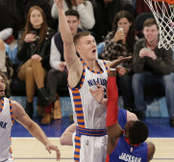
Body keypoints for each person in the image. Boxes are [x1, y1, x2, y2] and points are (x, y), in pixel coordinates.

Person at [55, 0, 131, 161]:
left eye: (93, 41)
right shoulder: (77, 69)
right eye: (88, 42)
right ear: (79, 49)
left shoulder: (106, 66)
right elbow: (67, 41)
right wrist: (61, 9)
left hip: (107, 136)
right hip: (86, 139)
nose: (92, 44)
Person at [132, 18, 174, 127]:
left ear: (158, 31)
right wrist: (140, 57)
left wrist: (154, 58)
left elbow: (167, 70)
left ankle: (173, 117)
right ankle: (140, 111)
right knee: (136, 77)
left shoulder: (165, 43)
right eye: (147, 30)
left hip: (169, 73)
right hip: (149, 74)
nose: (150, 33)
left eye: (153, 30)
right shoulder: (139, 44)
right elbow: (137, 70)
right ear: (143, 32)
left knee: (168, 80)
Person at [41, 9, 82, 125]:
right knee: (51, 74)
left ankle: (82, 112)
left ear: (79, 22)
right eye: (67, 21)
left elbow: (92, 59)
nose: (71, 25)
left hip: (81, 72)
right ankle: (50, 109)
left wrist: (76, 65)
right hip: (64, 72)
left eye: (74, 21)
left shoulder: (85, 36)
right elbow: (53, 60)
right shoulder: (56, 38)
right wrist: (60, 64)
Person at [106, 68, 155, 162]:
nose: (127, 123)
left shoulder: (115, 140)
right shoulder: (149, 149)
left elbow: (112, 102)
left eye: (128, 125)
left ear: (127, 134)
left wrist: (112, 71)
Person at [17, 5, 56, 118]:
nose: (36, 18)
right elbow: (19, 57)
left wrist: (42, 58)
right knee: (31, 64)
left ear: (43, 18)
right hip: (22, 69)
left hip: (41, 70)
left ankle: (29, 105)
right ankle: (42, 92)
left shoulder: (50, 34)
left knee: (32, 68)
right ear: (29, 18)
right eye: (33, 16)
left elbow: (53, 56)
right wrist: (24, 42)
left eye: (39, 15)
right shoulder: (22, 33)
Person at [100, 10, 136, 111]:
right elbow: (104, 56)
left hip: (126, 71)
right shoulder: (111, 37)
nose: (123, 26)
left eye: (125, 23)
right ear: (116, 25)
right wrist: (114, 42)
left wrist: (126, 69)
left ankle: (128, 108)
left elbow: (135, 61)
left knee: (125, 79)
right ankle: (108, 108)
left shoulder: (134, 39)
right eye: (120, 23)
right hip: (111, 69)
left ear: (130, 23)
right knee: (108, 78)